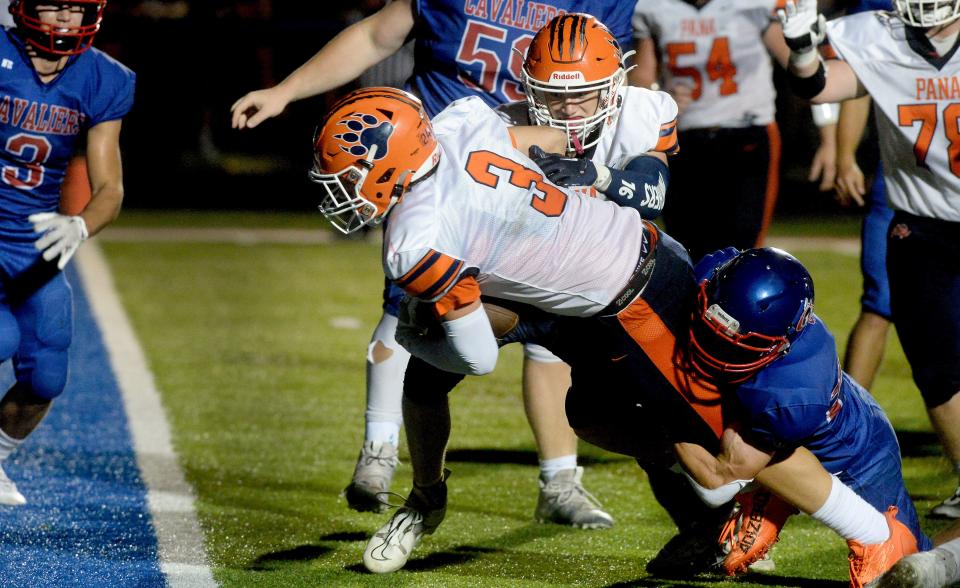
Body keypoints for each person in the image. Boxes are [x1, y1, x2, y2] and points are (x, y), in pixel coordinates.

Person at [231, 0, 635, 527]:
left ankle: (560, 479)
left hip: (537, 167)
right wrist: (286, 90)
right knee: (411, 309)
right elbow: (378, 36)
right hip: (443, 174)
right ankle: (380, 452)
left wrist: (614, 164)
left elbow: (615, 80)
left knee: (549, 330)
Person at [309, 85, 694, 573]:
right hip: (539, 276)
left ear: (392, 161)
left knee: (622, 410)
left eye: (350, 173)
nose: (338, 187)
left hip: (585, 292)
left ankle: (708, 516)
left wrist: (408, 337)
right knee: (425, 381)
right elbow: (551, 141)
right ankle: (424, 501)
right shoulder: (454, 126)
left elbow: (477, 359)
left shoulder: (414, 237)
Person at [777, 0, 960, 519]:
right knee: (937, 369)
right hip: (921, 224)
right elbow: (816, 86)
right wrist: (801, 49)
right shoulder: (882, 36)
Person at [669, 247, 929, 587]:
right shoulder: (720, 272)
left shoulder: (791, 398)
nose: (714, 350)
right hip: (834, 411)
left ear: (782, 344)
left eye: (737, 345)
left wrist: (661, 402)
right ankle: (772, 493)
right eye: (712, 330)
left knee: (914, 568)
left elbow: (718, 482)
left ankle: (772, 495)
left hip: (859, 459)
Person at [0, 0, 135, 505]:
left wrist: (79, 225)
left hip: (34, 243)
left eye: (74, 10)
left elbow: (110, 189)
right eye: (53, 7)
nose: (63, 20)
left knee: (47, 375)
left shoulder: (103, 78)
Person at [630, 0, 838, 263]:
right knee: (686, 251)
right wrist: (661, 96)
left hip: (746, 135)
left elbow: (806, 71)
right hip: (682, 140)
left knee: (742, 253)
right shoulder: (653, 7)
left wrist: (829, 139)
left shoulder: (755, 4)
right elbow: (641, 81)